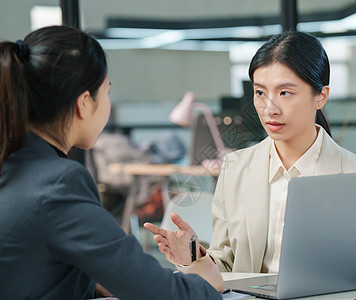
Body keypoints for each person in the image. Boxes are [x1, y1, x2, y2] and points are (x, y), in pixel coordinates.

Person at [0, 25, 223, 299]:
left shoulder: (13, 164)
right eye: (107, 91)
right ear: (84, 103)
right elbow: (164, 294)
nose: (107, 101)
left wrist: (102, 284)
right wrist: (204, 278)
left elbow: (34, 272)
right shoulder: (58, 182)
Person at [144, 30, 356, 273]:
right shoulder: (235, 168)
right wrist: (194, 256)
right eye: (260, 92)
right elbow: (227, 264)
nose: (269, 109)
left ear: (320, 96)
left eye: (285, 93)